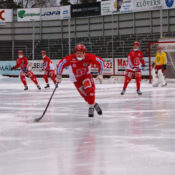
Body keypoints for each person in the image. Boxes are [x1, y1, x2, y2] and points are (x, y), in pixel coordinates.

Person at [56, 44, 104, 117]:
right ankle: (94, 104)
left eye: (81, 53)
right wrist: (59, 75)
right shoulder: (71, 58)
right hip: (76, 80)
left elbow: (100, 61)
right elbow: (61, 64)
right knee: (86, 97)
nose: (79, 55)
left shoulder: (89, 57)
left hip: (85, 77)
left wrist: (100, 73)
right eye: (77, 53)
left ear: (84, 53)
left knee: (90, 90)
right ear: (75, 53)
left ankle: (91, 107)